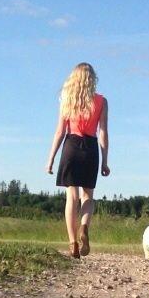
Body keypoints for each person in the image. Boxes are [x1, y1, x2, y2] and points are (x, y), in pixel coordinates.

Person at [45, 62, 110, 259]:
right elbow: (103, 132)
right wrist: (105, 161)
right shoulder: (101, 101)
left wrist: (50, 159)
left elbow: (59, 131)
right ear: (92, 79)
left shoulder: (67, 100)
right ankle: (84, 227)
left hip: (71, 146)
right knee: (88, 196)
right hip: (90, 147)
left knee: (71, 196)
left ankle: (72, 242)